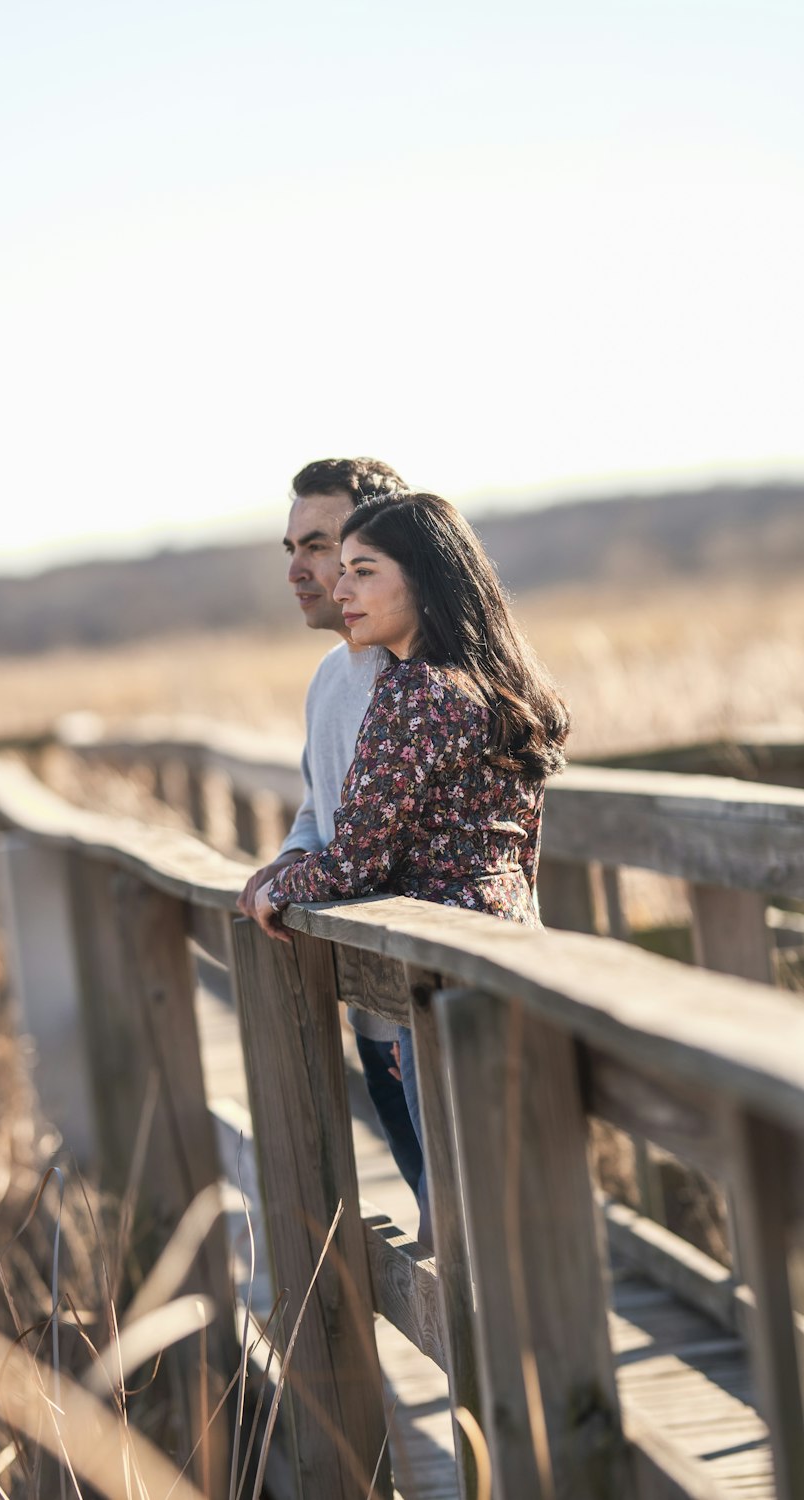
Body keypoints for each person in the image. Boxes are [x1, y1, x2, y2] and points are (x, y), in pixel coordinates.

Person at [252, 492, 570, 1245]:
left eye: (363, 571)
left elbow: (356, 858)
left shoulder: (413, 694)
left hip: (438, 974)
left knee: (456, 1220)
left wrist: (276, 886)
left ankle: (485, 1362)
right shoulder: (501, 685)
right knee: (509, 1199)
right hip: (512, 949)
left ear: (422, 579)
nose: (340, 589)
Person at [236, 458, 425, 1206]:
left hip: (436, 1001)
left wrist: (295, 883)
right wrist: (285, 862)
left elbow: (373, 844)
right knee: (435, 1232)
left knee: (468, 1238)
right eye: (294, 550)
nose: (302, 570)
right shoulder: (329, 678)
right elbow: (322, 808)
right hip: (373, 1012)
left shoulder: (423, 676)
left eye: (321, 546)